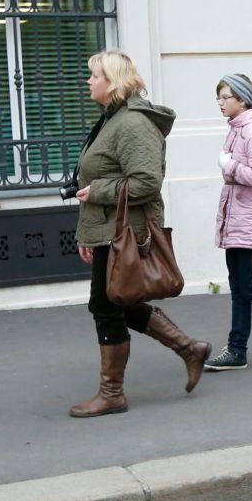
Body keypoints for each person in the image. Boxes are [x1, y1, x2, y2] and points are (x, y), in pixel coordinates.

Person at [68, 50, 210, 418]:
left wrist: (97, 192)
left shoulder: (133, 124)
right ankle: (189, 348)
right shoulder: (112, 119)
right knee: (121, 299)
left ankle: (112, 393)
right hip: (107, 230)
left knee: (107, 304)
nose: (88, 81)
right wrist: (86, 234)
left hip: (125, 233)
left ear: (112, 81)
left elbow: (146, 182)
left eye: (94, 75)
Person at [204, 73, 252, 374]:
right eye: (218, 97)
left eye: (225, 97)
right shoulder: (237, 128)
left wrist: (229, 165)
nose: (220, 103)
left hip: (250, 222)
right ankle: (237, 350)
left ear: (243, 99)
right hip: (236, 219)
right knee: (238, 288)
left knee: (248, 288)